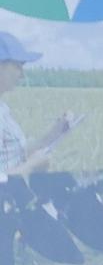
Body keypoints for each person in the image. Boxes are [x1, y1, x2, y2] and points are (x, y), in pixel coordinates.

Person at [0, 31, 78, 175]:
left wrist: (56, 132)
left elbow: (17, 154)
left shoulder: (3, 109)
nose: (22, 75)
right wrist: (31, 165)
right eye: (18, 66)